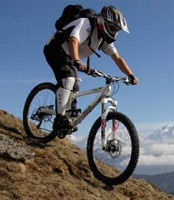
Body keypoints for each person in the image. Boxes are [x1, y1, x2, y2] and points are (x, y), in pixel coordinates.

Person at [43, 5, 138, 133]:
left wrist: (130, 74)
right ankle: (60, 119)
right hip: (55, 49)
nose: (114, 32)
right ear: (103, 21)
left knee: (74, 88)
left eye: (116, 30)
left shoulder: (104, 39)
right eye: (113, 28)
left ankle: (69, 119)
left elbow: (117, 58)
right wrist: (77, 61)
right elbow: (73, 40)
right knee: (68, 79)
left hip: (70, 57)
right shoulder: (86, 24)